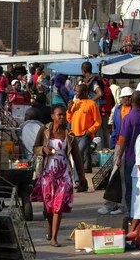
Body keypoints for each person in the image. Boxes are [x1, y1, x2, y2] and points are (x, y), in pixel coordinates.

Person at [32, 104, 87, 247]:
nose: (62, 117)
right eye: (59, 115)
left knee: (58, 206)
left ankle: (54, 238)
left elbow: (77, 157)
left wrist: (82, 177)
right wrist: (43, 149)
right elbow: (35, 148)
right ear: (53, 116)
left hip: (64, 174)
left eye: (64, 115)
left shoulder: (69, 135)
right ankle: (50, 226)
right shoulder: (44, 130)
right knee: (48, 207)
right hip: (47, 173)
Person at [98, 87, 134, 216]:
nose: (128, 99)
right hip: (119, 145)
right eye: (126, 97)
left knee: (124, 177)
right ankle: (110, 204)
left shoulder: (135, 111)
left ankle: (123, 206)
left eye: (130, 97)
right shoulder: (117, 109)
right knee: (114, 175)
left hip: (129, 147)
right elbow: (113, 126)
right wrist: (113, 144)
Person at [116, 91, 140, 211]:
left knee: (130, 187)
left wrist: (119, 156)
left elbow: (124, 139)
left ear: (131, 102)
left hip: (131, 157)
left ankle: (131, 213)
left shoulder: (128, 118)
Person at [67, 84, 101, 181]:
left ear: (85, 93)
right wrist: (69, 109)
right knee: (76, 157)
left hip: (85, 135)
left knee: (78, 155)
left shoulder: (92, 104)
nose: (76, 93)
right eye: (76, 91)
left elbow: (98, 121)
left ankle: (77, 181)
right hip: (74, 134)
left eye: (78, 91)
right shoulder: (75, 103)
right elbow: (69, 119)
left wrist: (89, 131)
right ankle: (81, 181)